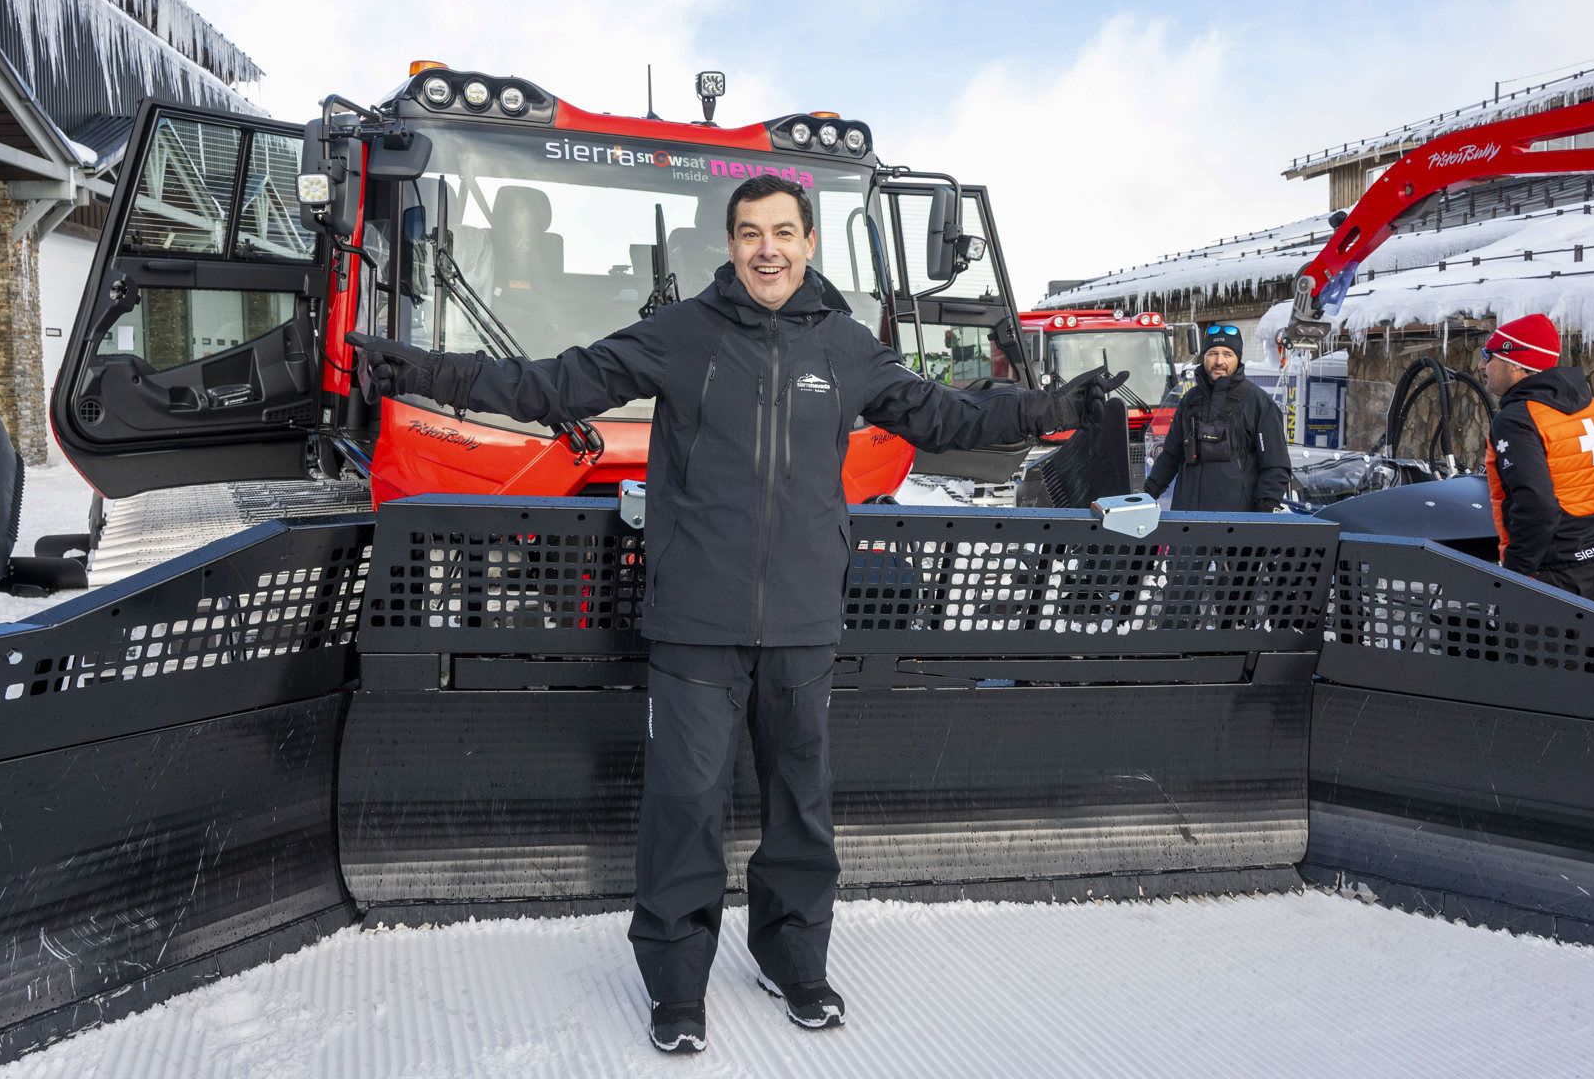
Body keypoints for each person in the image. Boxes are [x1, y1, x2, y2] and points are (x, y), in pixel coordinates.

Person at [347, 174, 1123, 1055]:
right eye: (751, 232)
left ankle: (793, 961)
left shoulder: (845, 347)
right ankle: (676, 985)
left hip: (801, 623)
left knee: (800, 804)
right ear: (729, 244)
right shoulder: (681, 336)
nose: (767, 248)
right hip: (694, 624)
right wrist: (414, 369)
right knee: (685, 803)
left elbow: (945, 416)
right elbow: (550, 386)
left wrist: (1048, 407)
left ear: (808, 243)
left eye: (783, 232)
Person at [1480, 313, 1594, 601]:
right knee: (1590, 643)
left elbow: (1536, 502)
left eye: (1488, 355)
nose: (1482, 365)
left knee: (1526, 647)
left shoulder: (1517, 419)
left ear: (1515, 364)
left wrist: (1514, 574)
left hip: (1550, 573)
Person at [1142, 323, 1290, 512]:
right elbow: (1171, 455)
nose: (1219, 360)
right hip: (1187, 517)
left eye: (1227, 354)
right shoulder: (1190, 400)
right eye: (1212, 353)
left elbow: (1276, 466)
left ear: (1238, 358)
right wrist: (1146, 496)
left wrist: (1264, 512)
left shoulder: (1258, 403)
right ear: (1204, 357)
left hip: (1236, 522)